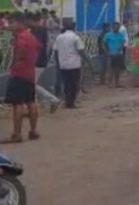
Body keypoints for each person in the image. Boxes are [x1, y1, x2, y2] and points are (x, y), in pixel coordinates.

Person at [1, 12, 42, 143]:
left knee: (17, 104)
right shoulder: (31, 36)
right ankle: (33, 131)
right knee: (31, 102)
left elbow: (19, 55)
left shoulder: (22, 38)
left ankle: (17, 134)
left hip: (19, 73)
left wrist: (14, 64)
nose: (10, 25)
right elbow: (38, 48)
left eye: (11, 22)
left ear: (19, 22)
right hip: (30, 73)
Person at [52, 20, 91, 108]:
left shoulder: (59, 37)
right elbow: (82, 52)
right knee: (74, 84)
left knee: (66, 84)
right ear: (74, 27)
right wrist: (89, 62)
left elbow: (56, 52)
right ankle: (71, 102)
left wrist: (58, 63)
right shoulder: (75, 38)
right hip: (74, 65)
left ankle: (67, 101)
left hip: (63, 65)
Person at [103, 22, 127, 87]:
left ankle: (116, 83)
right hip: (111, 54)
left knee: (118, 69)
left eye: (117, 27)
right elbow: (104, 43)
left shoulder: (121, 35)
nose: (116, 28)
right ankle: (110, 82)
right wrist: (106, 52)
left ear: (119, 28)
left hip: (119, 54)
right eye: (115, 27)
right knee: (110, 69)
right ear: (113, 27)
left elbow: (123, 41)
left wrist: (121, 47)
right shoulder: (108, 35)